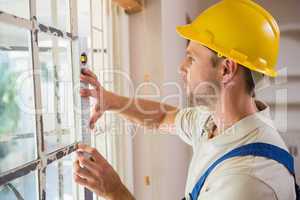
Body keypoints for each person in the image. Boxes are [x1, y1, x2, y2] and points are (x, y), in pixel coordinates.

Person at [73, 0, 297, 199]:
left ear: (226, 69)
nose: (181, 67)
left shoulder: (245, 180)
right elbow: (162, 117)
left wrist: (114, 191)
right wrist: (110, 101)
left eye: (191, 58)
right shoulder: (215, 123)